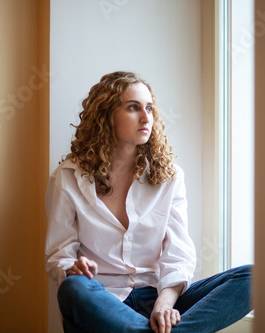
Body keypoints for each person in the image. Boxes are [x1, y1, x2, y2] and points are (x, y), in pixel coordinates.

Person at [45, 71, 252, 333]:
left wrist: (164, 305)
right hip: (103, 301)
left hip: (157, 295)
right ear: (106, 115)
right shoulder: (68, 177)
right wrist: (73, 268)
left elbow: (178, 253)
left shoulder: (170, 176)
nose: (146, 118)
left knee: (253, 277)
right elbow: (58, 255)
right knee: (72, 288)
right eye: (133, 107)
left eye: (150, 108)